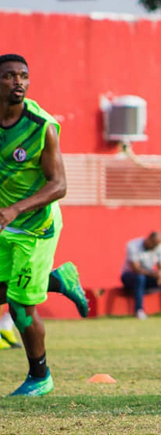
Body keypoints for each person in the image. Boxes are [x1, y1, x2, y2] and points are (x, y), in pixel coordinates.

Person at [0, 53, 67, 396]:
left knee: (20, 304)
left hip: (36, 227)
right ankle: (55, 280)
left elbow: (59, 185)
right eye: (10, 76)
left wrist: (14, 210)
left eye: (23, 76)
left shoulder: (41, 126)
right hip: (5, 225)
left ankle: (40, 377)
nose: (18, 82)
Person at [120, 231, 161, 320]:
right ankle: (139, 310)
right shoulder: (133, 245)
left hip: (149, 276)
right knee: (140, 278)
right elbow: (136, 269)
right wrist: (154, 274)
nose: (154, 247)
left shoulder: (160, 247)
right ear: (148, 239)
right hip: (129, 276)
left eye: (156, 245)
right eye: (153, 244)